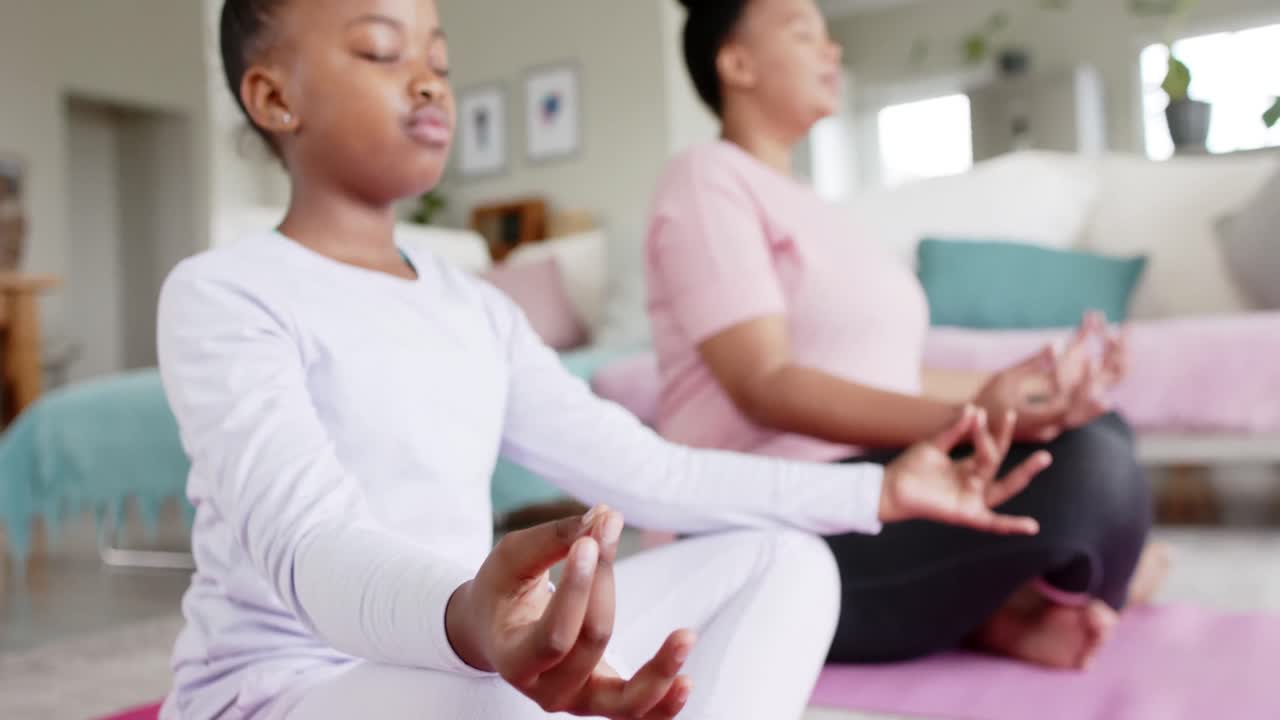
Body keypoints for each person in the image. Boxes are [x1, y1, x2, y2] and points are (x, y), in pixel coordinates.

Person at [157, 1, 1052, 718]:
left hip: (474, 648)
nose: (428, 80)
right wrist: (473, 618)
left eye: (438, 55)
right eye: (383, 51)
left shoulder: (474, 308)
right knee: (498, 696)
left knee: (786, 561)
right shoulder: (224, 295)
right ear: (275, 98)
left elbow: (643, 469)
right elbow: (310, 547)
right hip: (292, 686)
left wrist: (877, 492)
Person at [647, 0, 1170, 671]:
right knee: (1094, 477)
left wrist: (1036, 399)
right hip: (759, 518)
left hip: (873, 481)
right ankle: (1035, 606)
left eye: (830, 37)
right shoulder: (704, 176)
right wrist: (971, 420)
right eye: (804, 33)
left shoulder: (816, 204)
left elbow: (889, 374)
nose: (831, 51)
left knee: (1099, 432)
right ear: (736, 62)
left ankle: (1012, 612)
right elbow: (763, 382)